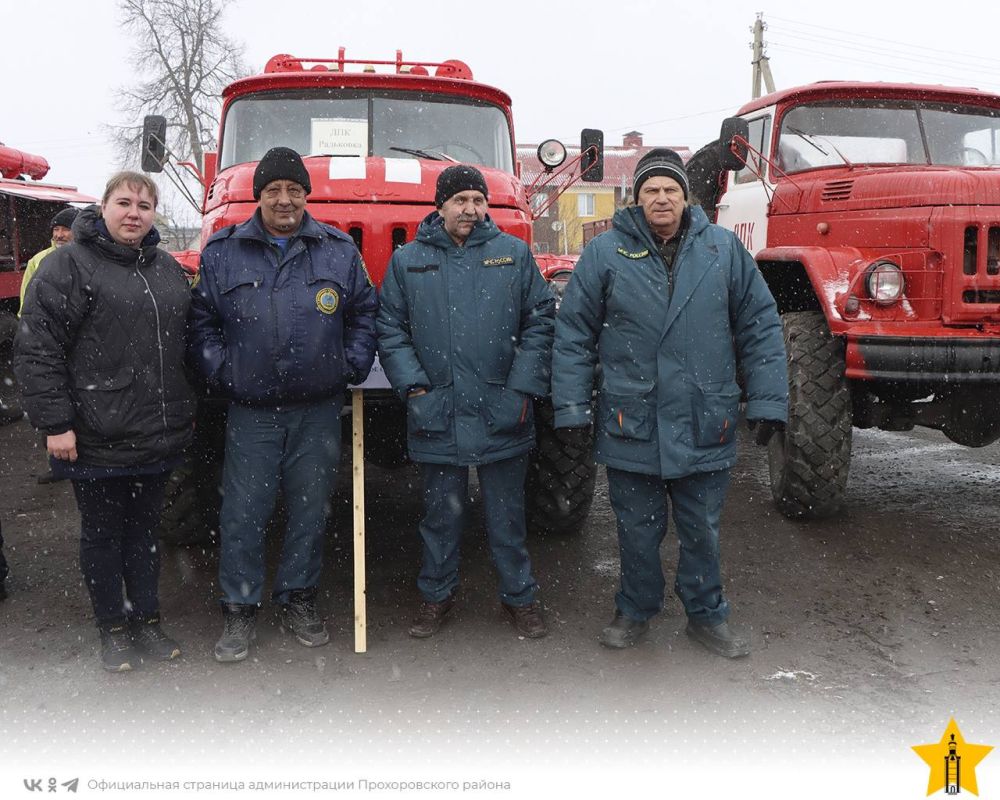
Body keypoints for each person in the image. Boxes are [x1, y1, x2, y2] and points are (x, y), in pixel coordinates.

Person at [552, 148, 788, 657]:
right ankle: (635, 609)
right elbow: (573, 335)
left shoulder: (723, 251)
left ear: (686, 197)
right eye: (651, 190)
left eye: (671, 190)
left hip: (706, 417)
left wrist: (769, 401)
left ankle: (706, 615)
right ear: (636, 199)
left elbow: (761, 329)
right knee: (636, 529)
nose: (662, 198)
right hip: (630, 419)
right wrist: (571, 408)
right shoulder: (605, 254)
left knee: (700, 529)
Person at [187, 146, 378, 663]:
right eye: (274, 189)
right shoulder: (223, 252)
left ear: (306, 195)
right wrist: (222, 372)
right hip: (252, 412)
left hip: (318, 410)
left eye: (294, 189)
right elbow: (202, 321)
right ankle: (240, 609)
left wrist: (350, 365)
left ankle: (297, 599)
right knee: (243, 513)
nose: (285, 199)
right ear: (259, 196)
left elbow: (363, 313)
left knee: (309, 511)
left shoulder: (337, 250)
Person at [14, 172, 195, 672]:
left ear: (155, 212)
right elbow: (37, 350)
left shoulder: (165, 269)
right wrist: (55, 423)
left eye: (144, 204)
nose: (134, 213)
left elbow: (184, 346)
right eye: (124, 202)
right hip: (96, 434)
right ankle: (112, 628)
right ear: (103, 207)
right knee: (102, 534)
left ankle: (147, 621)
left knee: (144, 534)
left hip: (155, 434)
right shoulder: (66, 266)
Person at [377, 164, 554, 640]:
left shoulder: (513, 256)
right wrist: (415, 389)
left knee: (507, 516)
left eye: (479, 201)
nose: (471, 210)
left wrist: (520, 389)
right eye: (460, 201)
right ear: (440, 207)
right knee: (439, 516)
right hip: (438, 411)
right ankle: (436, 597)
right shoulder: (408, 261)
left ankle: (519, 598)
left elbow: (540, 321)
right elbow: (390, 329)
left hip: (503, 410)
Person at [18, 207, 79, 316]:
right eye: (56, 229)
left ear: (78, 230)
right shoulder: (37, 260)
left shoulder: (87, 258)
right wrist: (25, 321)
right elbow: (26, 296)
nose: (59, 235)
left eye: (66, 229)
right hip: (45, 325)